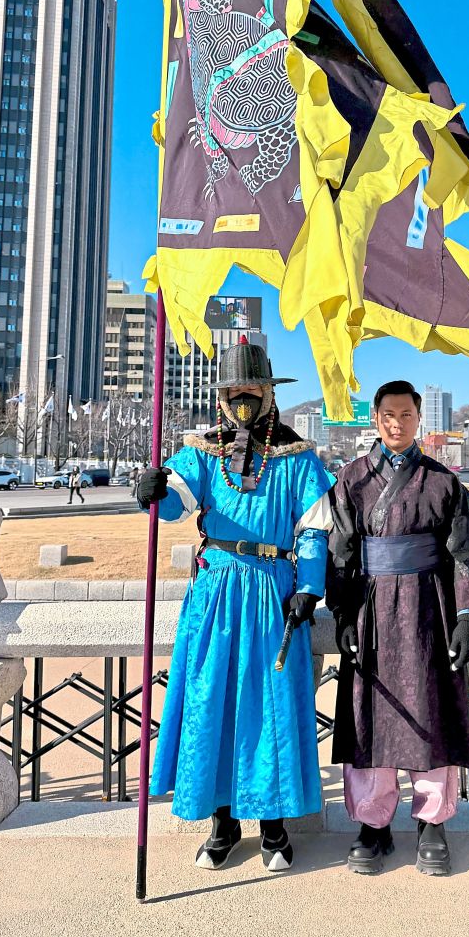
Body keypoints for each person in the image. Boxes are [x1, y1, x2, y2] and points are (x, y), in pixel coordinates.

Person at [136, 337, 333, 873]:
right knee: (215, 703)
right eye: (235, 391)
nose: (244, 399)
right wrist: (153, 490)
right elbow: (177, 503)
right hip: (217, 592)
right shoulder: (202, 454)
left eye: (253, 389)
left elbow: (313, 533)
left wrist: (309, 587)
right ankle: (223, 823)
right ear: (223, 396)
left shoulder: (297, 457)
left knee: (270, 706)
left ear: (268, 393)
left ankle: (273, 828)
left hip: (273, 590)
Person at [327, 379, 469, 877]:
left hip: (428, 609)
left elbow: (464, 552)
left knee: (430, 710)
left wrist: (466, 617)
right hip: (371, 608)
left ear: (420, 419)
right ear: (374, 419)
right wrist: (342, 614)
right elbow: (340, 554)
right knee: (369, 715)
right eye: (388, 415)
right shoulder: (351, 479)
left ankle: (432, 822)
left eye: (406, 415)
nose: (397, 424)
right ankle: (373, 825)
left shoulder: (443, 482)